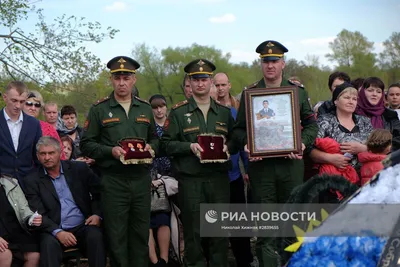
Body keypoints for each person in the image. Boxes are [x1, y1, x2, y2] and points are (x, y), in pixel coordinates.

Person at [232, 40, 318, 267]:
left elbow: (311, 125)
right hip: (262, 170)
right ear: (261, 64)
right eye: (265, 61)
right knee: (267, 231)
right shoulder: (250, 93)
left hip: (291, 167)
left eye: (274, 61)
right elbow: (238, 129)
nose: (270, 65)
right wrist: (247, 144)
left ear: (283, 64)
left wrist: (303, 145)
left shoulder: (298, 92)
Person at [80, 56, 159, 267]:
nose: (122, 82)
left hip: (141, 180)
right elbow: (86, 144)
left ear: (134, 79)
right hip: (114, 181)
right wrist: (110, 151)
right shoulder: (99, 109)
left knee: (140, 234)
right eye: (117, 78)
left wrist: (152, 147)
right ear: (111, 80)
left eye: (126, 77)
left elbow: (156, 139)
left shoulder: (145, 108)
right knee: (116, 236)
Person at [162, 59, 235, 267]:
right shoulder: (178, 113)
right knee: (194, 233)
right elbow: (165, 145)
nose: (200, 83)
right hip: (191, 180)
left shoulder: (223, 112)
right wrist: (189, 147)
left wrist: (229, 146)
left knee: (218, 232)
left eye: (204, 79)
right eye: (195, 80)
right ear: (190, 83)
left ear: (211, 81)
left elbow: (236, 138)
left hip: (218, 179)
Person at [23, 136, 106, 267]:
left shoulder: (79, 169)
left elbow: (100, 193)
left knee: (95, 235)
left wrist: (97, 214)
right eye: (43, 154)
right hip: (53, 229)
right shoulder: (32, 180)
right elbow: (37, 213)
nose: (47, 157)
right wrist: (58, 232)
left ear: (60, 153)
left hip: (82, 225)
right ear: (38, 156)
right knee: (48, 244)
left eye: (51, 153)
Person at [310, 83, 373, 174]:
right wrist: (330, 158)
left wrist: (363, 148)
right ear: (335, 101)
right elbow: (310, 149)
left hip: (364, 176)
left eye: (354, 99)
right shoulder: (325, 121)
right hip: (334, 177)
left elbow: (379, 147)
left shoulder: (365, 122)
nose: (351, 102)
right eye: (347, 98)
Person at [0, 81, 42, 187]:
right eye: (14, 100)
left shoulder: (34, 124)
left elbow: (38, 156)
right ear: (5, 97)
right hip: (2, 184)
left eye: (22, 101)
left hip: (28, 184)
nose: (18, 106)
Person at [0, 175, 42, 267]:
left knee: (34, 255)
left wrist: (30, 219)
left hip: (13, 232)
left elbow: (24, 208)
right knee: (5, 255)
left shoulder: (11, 182)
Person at [355, 77, 400, 151]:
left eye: (378, 91)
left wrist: (369, 149)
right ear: (362, 92)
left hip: (385, 159)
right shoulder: (353, 113)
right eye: (370, 90)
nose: (374, 94)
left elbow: (398, 140)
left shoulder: (390, 115)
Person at [23, 91, 66, 160]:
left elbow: (61, 156)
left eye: (37, 105)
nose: (33, 108)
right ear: (22, 104)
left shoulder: (49, 128)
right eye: (29, 104)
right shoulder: (12, 125)